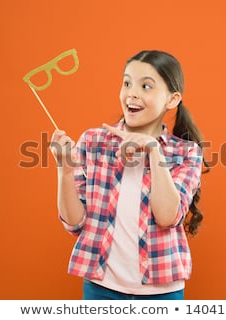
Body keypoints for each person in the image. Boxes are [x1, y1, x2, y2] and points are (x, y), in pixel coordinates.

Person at [50, 50, 209, 300]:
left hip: (162, 293)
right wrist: (65, 170)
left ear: (172, 99)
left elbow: (167, 216)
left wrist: (153, 150)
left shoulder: (186, 152)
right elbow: (74, 222)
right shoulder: (93, 141)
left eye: (146, 86)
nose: (132, 93)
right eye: (127, 83)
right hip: (100, 288)